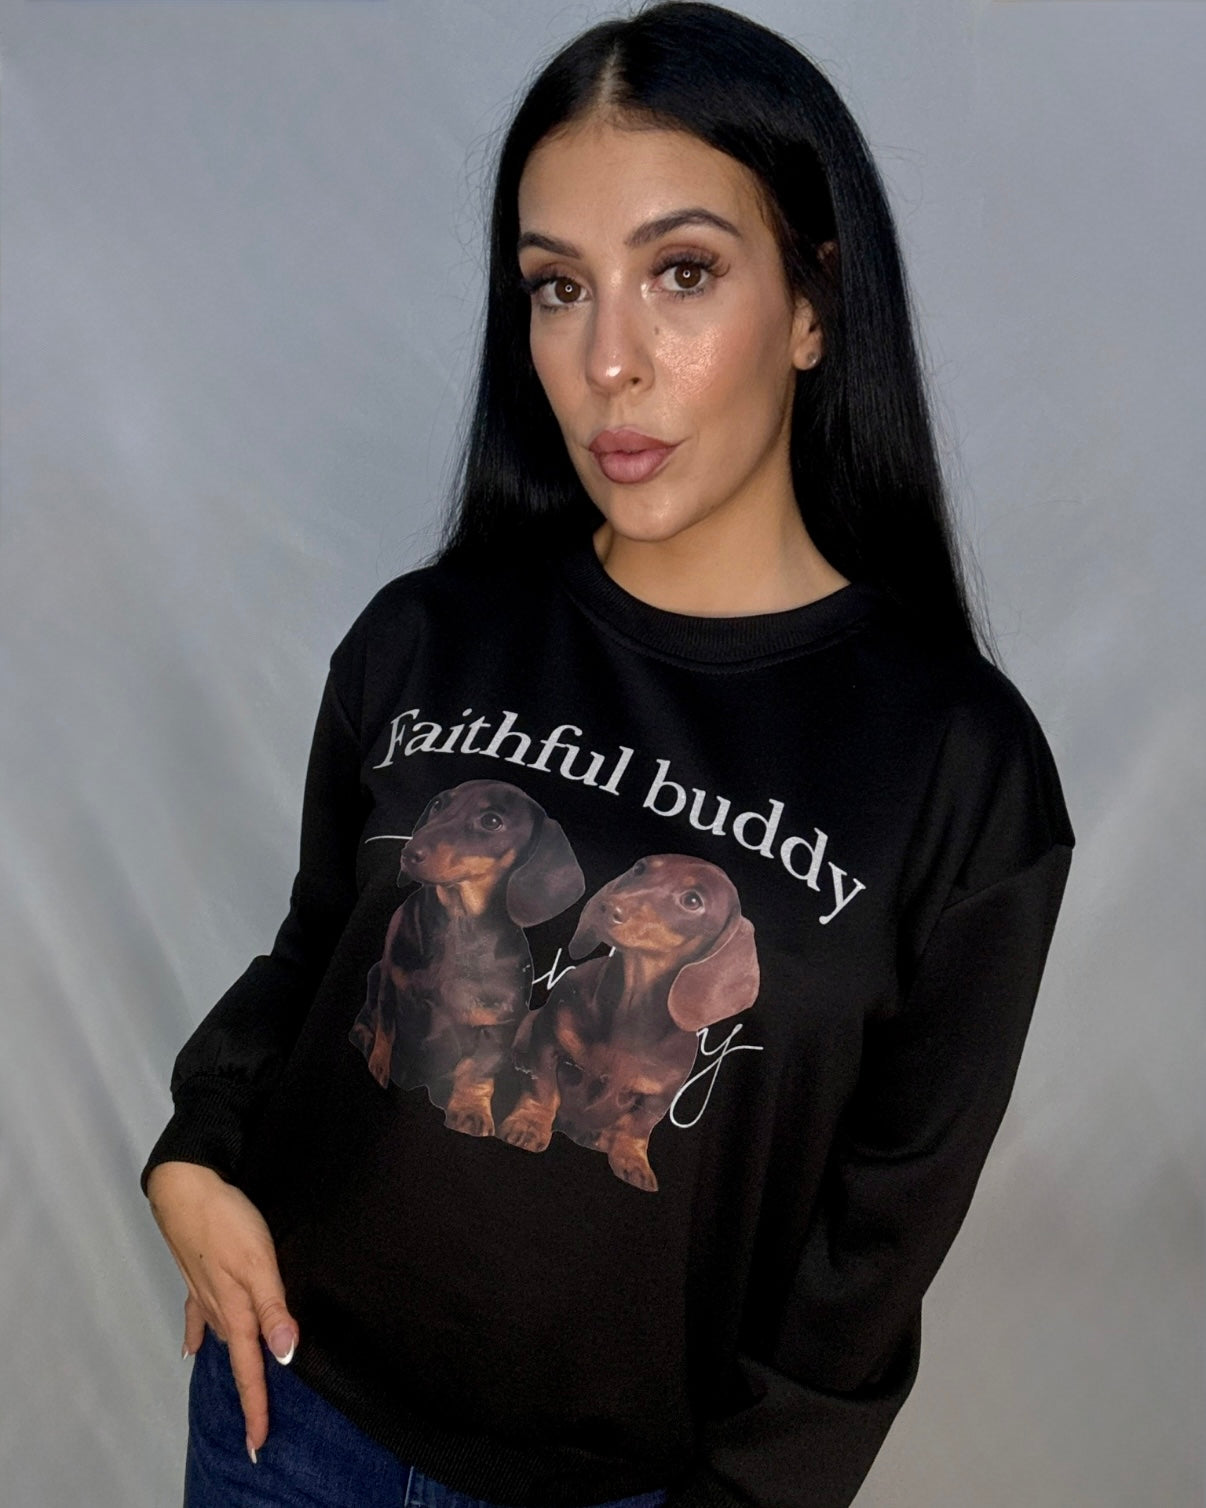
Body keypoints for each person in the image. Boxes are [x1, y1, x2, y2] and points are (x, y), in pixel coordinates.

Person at [141, 4, 1075, 1506]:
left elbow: (875, 1244)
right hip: (284, 1420)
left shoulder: (959, 769)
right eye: (557, 287)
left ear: (815, 304)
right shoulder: (426, 636)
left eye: (681, 273)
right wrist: (193, 1151)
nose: (609, 361)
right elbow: (316, 951)